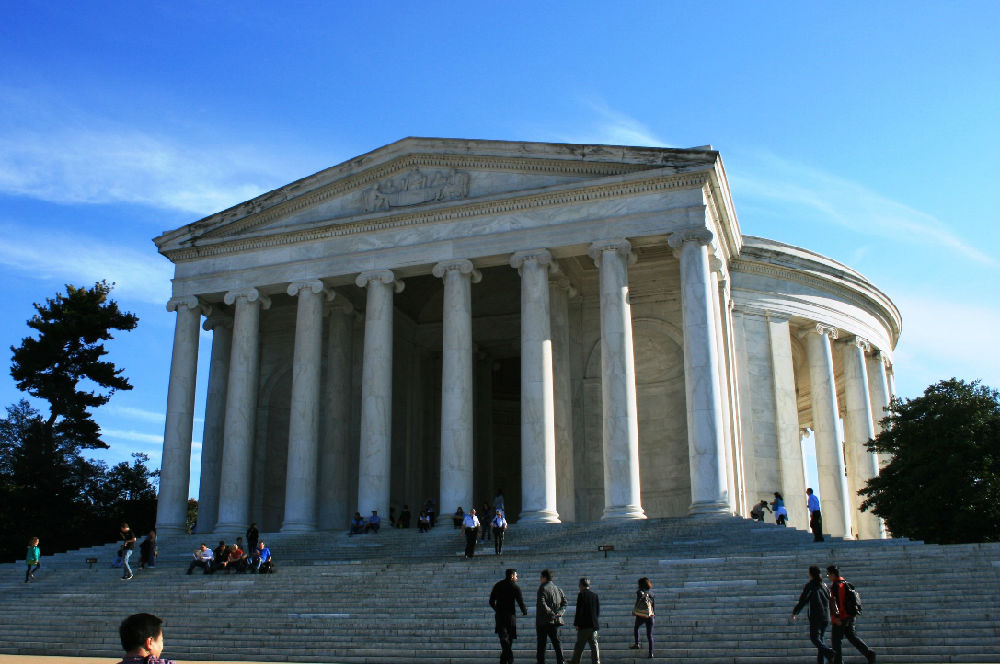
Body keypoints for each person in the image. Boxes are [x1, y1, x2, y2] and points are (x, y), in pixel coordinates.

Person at [827, 566, 876, 664]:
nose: (828, 576)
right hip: (851, 616)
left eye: (828, 574)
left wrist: (836, 617)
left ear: (833, 574)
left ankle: (838, 661)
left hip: (841, 617)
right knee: (852, 637)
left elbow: (836, 602)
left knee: (836, 641)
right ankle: (869, 653)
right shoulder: (847, 584)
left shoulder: (836, 586)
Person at [791, 565, 835, 664]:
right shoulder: (824, 585)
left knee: (814, 638)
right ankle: (821, 661)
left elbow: (803, 600)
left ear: (811, 574)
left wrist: (795, 612)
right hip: (825, 616)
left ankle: (829, 652)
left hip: (816, 616)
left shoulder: (811, 585)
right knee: (821, 641)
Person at [490, 568, 528, 664]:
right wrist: (524, 611)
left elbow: (491, 601)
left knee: (503, 639)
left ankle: (503, 661)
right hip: (510, 617)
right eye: (516, 576)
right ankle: (510, 659)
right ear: (511, 576)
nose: (517, 578)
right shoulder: (515, 587)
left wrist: (497, 609)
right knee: (508, 640)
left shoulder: (498, 585)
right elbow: (520, 601)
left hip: (500, 616)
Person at [536, 569, 568, 664]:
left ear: (544, 578)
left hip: (543, 621)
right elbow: (565, 603)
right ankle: (561, 661)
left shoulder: (542, 588)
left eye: (541, 577)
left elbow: (542, 604)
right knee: (557, 643)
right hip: (554, 621)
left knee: (541, 645)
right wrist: (559, 613)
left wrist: (551, 613)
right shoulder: (558, 589)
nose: (540, 579)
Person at [568, 577, 600, 664]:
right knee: (594, 645)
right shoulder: (595, 595)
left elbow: (579, 610)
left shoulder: (581, 595)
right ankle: (596, 661)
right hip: (593, 625)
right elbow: (597, 611)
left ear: (581, 586)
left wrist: (576, 623)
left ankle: (575, 661)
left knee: (579, 645)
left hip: (584, 626)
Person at [630, 577, 655, 658]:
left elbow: (638, 602)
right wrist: (652, 614)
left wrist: (635, 611)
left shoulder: (639, 592)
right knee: (649, 635)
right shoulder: (651, 593)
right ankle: (651, 653)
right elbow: (653, 605)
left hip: (641, 615)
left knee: (636, 627)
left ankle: (637, 643)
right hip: (650, 615)